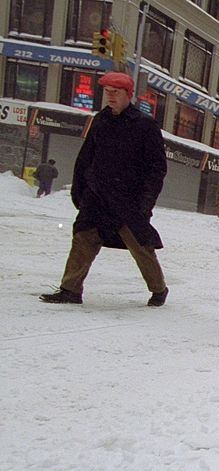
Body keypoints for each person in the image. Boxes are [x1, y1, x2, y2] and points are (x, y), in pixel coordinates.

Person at [39, 71, 168, 307]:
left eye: (115, 92)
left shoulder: (145, 126)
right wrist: (80, 189)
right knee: (83, 237)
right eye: (107, 92)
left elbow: (156, 169)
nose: (110, 96)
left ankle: (158, 289)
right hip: (97, 195)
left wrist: (145, 203)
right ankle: (70, 289)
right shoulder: (101, 120)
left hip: (128, 199)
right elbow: (86, 157)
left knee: (140, 246)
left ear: (128, 95)